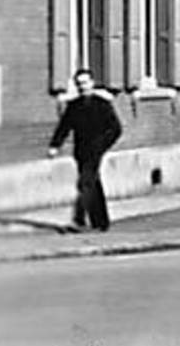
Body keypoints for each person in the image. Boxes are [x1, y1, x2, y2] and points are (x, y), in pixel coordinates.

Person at [46, 68, 123, 232]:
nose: (83, 87)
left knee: (84, 183)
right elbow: (64, 127)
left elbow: (116, 129)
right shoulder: (73, 106)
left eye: (86, 83)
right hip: (80, 151)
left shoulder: (102, 104)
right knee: (93, 183)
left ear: (92, 83)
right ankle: (101, 222)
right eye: (79, 84)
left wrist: (102, 145)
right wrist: (55, 146)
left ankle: (79, 220)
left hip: (96, 151)